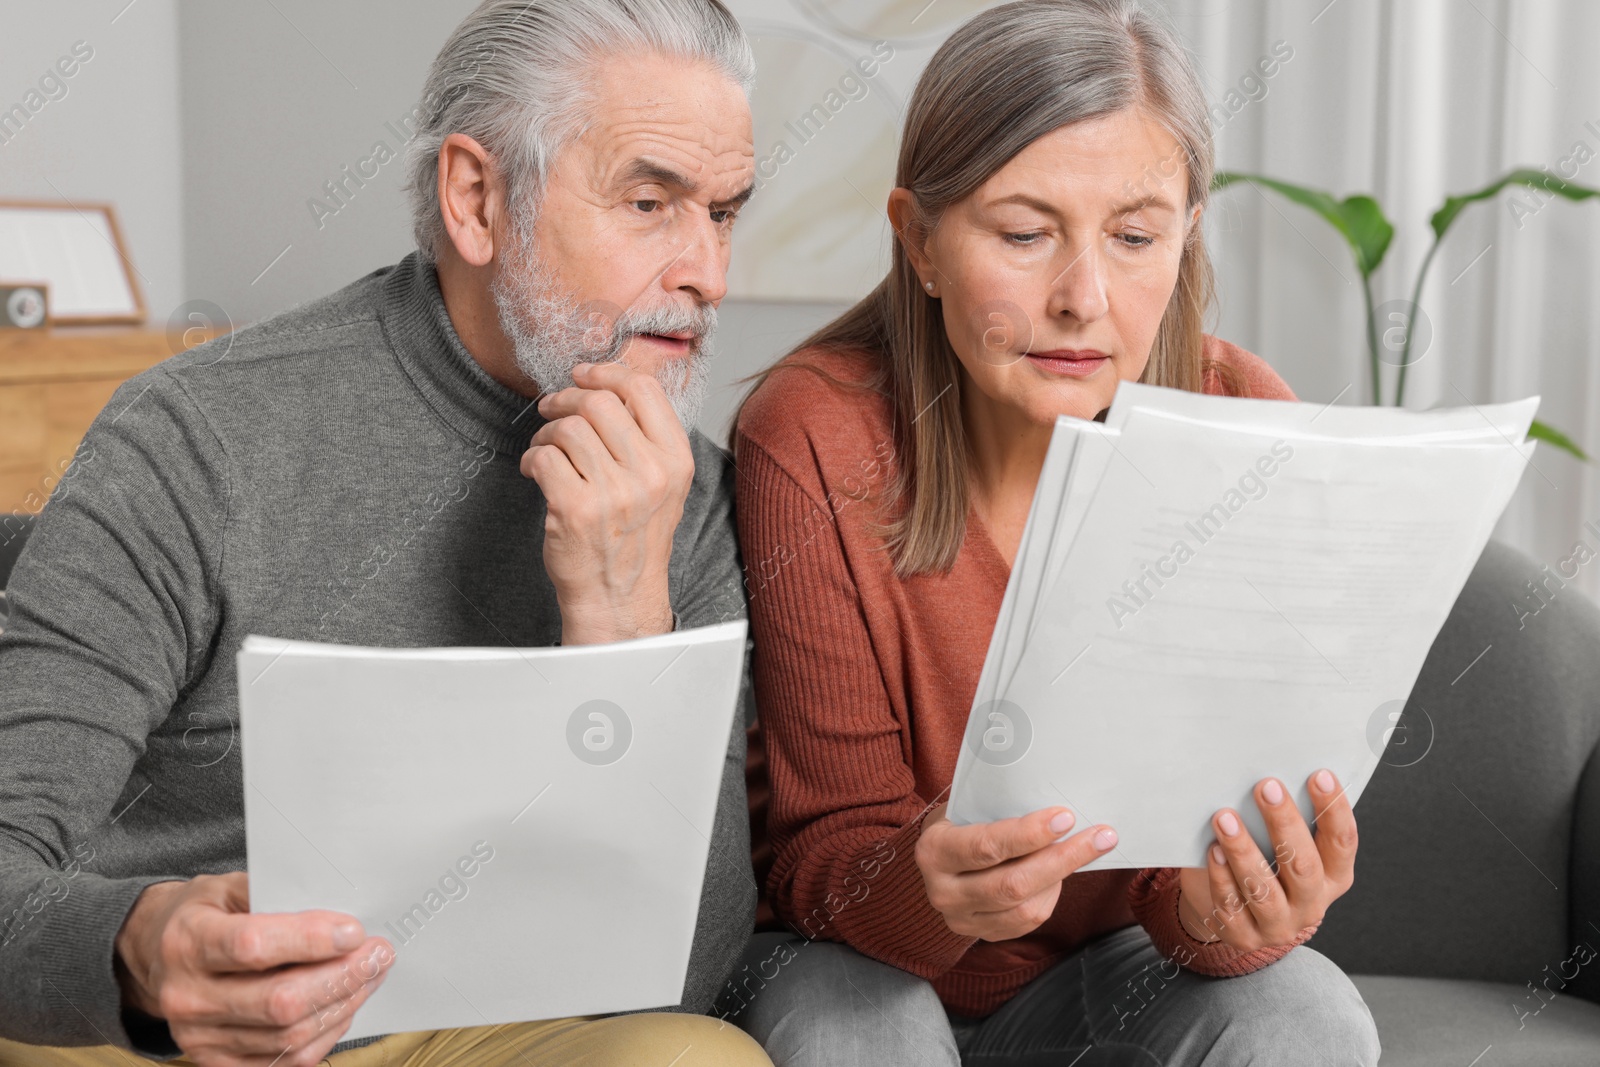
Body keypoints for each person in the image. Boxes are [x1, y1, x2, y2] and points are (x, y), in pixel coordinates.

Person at [0, 2, 773, 1065]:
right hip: (166, 1031)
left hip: (461, 1029)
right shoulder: (198, 436)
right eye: (650, 202)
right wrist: (136, 949)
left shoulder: (682, 495)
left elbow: (688, 976)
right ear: (476, 198)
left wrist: (624, 617)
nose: (709, 275)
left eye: (724, 213)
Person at [723, 1, 1384, 1063]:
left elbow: (1188, 880)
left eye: (1134, 237)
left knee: (1301, 1008)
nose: (1083, 298)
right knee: (869, 1026)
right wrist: (930, 885)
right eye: (1025, 234)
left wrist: (1231, 911)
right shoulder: (813, 434)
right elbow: (820, 861)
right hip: (861, 963)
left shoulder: (1242, 415)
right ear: (920, 241)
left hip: (1103, 981)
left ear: (1185, 233)